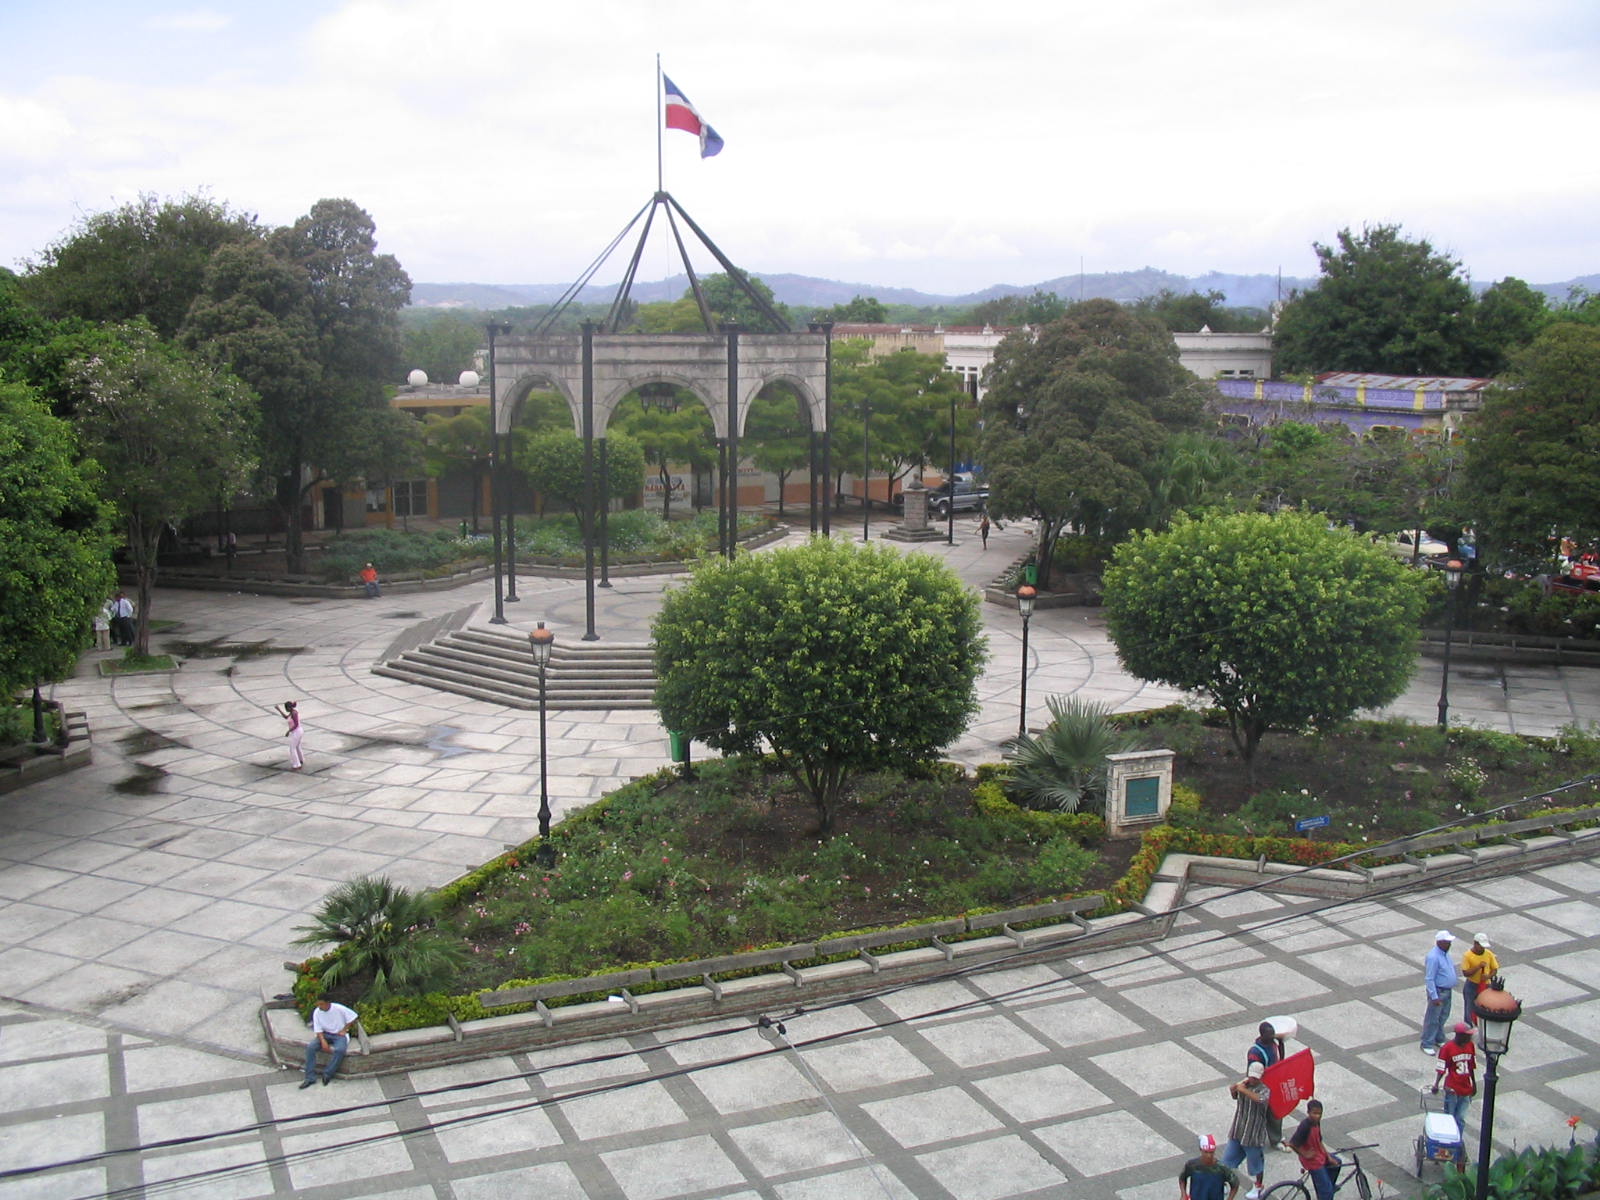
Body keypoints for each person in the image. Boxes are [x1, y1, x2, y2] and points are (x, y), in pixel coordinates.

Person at [1220, 1061, 1274, 1200]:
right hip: (1238, 1131)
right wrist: (1234, 1089)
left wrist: (1243, 1090)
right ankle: (1223, 1184)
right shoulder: (1244, 1085)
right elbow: (1235, 1096)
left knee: (1256, 1164)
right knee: (1226, 1161)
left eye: (1256, 1077)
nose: (1252, 1079)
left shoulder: (1265, 1090)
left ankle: (1258, 1186)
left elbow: (1260, 1100)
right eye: (1251, 1076)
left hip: (1253, 1134)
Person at [1433, 1021, 1478, 1151]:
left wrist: (1473, 1084)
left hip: (1466, 1088)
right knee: (1450, 1116)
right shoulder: (1447, 1048)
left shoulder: (1470, 1046)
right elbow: (1441, 1068)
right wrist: (1436, 1084)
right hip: (1452, 1088)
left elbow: (1471, 1067)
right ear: (1459, 1035)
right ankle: (1447, 1142)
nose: (1470, 1037)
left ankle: (1457, 1140)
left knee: (1461, 1118)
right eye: (1467, 1035)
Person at [1287, 1099, 1343, 1200]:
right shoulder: (1305, 1126)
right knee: (1327, 1193)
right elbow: (1292, 1143)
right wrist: (1305, 1154)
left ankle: (1328, 1186)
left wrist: (1328, 1157)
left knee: (1337, 1163)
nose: (1317, 1116)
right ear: (1308, 1113)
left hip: (1319, 1154)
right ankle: (1326, 1192)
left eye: (1319, 1113)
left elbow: (1320, 1141)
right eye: (1314, 1113)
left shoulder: (1317, 1123)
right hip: (1312, 1161)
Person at [301, 996, 358, 1087]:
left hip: (339, 1035)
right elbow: (318, 1029)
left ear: (328, 1003)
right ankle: (310, 1077)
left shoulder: (338, 1008)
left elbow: (353, 1016)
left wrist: (344, 1030)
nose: (319, 1006)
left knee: (340, 1050)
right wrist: (323, 1041)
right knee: (311, 1047)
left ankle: (328, 1073)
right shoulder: (317, 1012)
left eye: (321, 1004)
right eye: (318, 1004)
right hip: (325, 1034)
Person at [1422, 930, 1459, 1053]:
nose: (1449, 944)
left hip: (1447, 990)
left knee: (1443, 1016)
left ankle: (1438, 1038)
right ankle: (1427, 1043)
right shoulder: (1433, 957)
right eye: (1447, 942)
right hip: (1439, 991)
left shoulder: (1445, 953)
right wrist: (1434, 996)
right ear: (1440, 942)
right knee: (1433, 1018)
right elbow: (1429, 978)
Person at [1180, 1133, 1242, 1200]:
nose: (1209, 1156)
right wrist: (1183, 1194)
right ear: (1200, 1150)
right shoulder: (1191, 1165)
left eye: (1211, 1152)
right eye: (1206, 1152)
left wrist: (1230, 1198)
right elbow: (1182, 1178)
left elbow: (1235, 1183)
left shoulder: (1222, 1168)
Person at [1461, 933, 1499, 1026]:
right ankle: (1469, 1027)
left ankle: (1483, 1026)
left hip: (1486, 985)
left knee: (1485, 1007)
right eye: (1481, 946)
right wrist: (1478, 967)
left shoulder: (1488, 954)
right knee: (1469, 1008)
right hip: (1472, 985)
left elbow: (1494, 969)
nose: (1482, 948)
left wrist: (1488, 976)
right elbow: (1465, 973)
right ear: (1475, 943)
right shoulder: (1467, 956)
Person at [276, 700, 304, 770]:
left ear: (289, 708)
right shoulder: (292, 712)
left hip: (297, 731)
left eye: (286, 708)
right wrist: (279, 710)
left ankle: (297, 764)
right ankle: (301, 759)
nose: (286, 710)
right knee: (297, 746)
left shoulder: (294, 713)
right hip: (297, 731)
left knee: (292, 748)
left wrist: (289, 731)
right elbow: (286, 717)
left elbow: (296, 724)